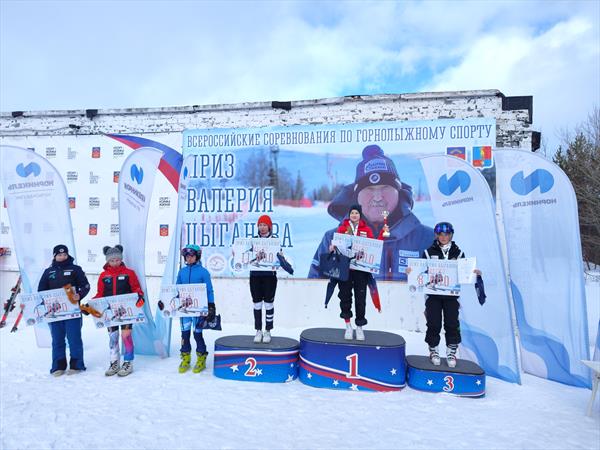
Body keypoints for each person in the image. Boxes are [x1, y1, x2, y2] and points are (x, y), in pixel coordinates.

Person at [309, 145, 433, 281]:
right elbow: (313, 294)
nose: (378, 197)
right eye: (369, 189)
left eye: (386, 187)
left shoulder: (428, 239)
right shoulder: (333, 239)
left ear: (398, 193)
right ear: (357, 196)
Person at [420, 222, 480, 368]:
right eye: (440, 234)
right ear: (436, 235)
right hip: (433, 295)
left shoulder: (458, 253)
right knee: (433, 322)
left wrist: (474, 274)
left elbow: (465, 273)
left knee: (452, 323)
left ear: (451, 235)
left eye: (447, 234)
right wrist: (412, 272)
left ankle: (451, 351)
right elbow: (420, 272)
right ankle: (433, 350)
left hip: (451, 296)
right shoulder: (428, 252)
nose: (444, 237)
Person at [87, 245, 144, 377]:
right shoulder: (103, 275)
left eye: (117, 260)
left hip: (126, 312)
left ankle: (128, 362)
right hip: (110, 313)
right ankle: (114, 362)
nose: (115, 262)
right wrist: (90, 305)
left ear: (121, 259)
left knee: (126, 336)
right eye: (112, 260)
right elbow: (100, 294)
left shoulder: (129, 273)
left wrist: (139, 296)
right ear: (107, 261)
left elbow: (136, 288)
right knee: (113, 338)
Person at [332, 205, 386, 341]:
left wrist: (382, 235)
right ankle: (348, 326)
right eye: (352, 213)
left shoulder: (366, 229)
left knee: (360, 299)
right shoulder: (342, 229)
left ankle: (360, 327)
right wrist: (332, 247)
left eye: (356, 213)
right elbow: (336, 245)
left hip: (361, 271)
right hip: (345, 270)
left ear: (360, 215)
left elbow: (374, 246)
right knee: (345, 297)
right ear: (349, 215)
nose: (354, 215)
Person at [159, 244, 216, 374]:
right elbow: (176, 290)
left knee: (197, 334)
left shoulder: (203, 272)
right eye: (187, 256)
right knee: (185, 334)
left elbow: (209, 290)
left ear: (197, 256)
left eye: (192, 256)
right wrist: (166, 302)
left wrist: (211, 306)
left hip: (198, 311)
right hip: (184, 310)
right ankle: (185, 357)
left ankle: (201, 357)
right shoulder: (182, 272)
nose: (189, 259)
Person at [37, 245, 90, 376]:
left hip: (72, 311)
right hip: (55, 313)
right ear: (55, 256)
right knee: (57, 339)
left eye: (64, 254)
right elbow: (41, 290)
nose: (62, 257)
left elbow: (85, 286)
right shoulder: (48, 271)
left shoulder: (75, 269)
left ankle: (77, 365)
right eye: (59, 255)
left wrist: (80, 294)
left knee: (74, 338)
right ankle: (58, 366)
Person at [250, 215, 278, 344]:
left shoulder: (274, 240)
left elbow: (279, 257)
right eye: (260, 224)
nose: (262, 227)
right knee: (256, 304)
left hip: (269, 277)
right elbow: (246, 255)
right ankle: (258, 330)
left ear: (269, 226)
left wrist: (280, 255)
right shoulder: (253, 240)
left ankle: (268, 330)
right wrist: (238, 253)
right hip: (255, 276)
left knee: (268, 304)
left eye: (264, 225)